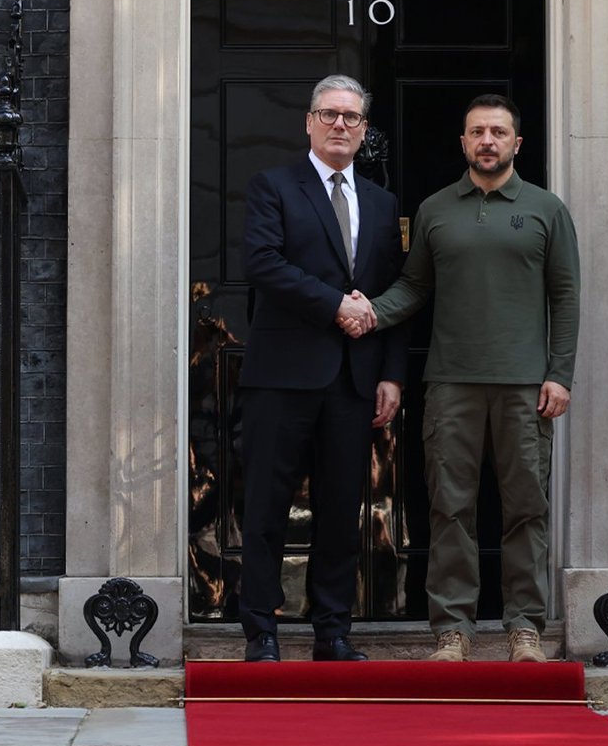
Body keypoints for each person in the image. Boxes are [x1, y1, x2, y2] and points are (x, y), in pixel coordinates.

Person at [343, 95, 580, 663]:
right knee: (451, 508)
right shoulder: (435, 210)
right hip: (451, 384)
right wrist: (368, 308)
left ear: (517, 144)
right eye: (477, 132)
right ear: (464, 142)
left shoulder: (547, 209)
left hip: (526, 386)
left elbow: (565, 295)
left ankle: (525, 628)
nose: (488, 141)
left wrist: (560, 374)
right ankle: (453, 630)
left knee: (527, 507)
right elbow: (415, 287)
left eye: (499, 132)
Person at [238, 75, 407, 662]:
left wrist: (391, 373)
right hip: (282, 376)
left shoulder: (384, 203)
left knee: (340, 512)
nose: (340, 125)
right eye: (329, 114)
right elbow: (263, 263)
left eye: (352, 117)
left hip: (354, 380)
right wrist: (334, 303)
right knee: (265, 509)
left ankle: (332, 632)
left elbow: (392, 291)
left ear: (364, 130)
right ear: (308, 122)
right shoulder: (274, 187)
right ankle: (260, 630)